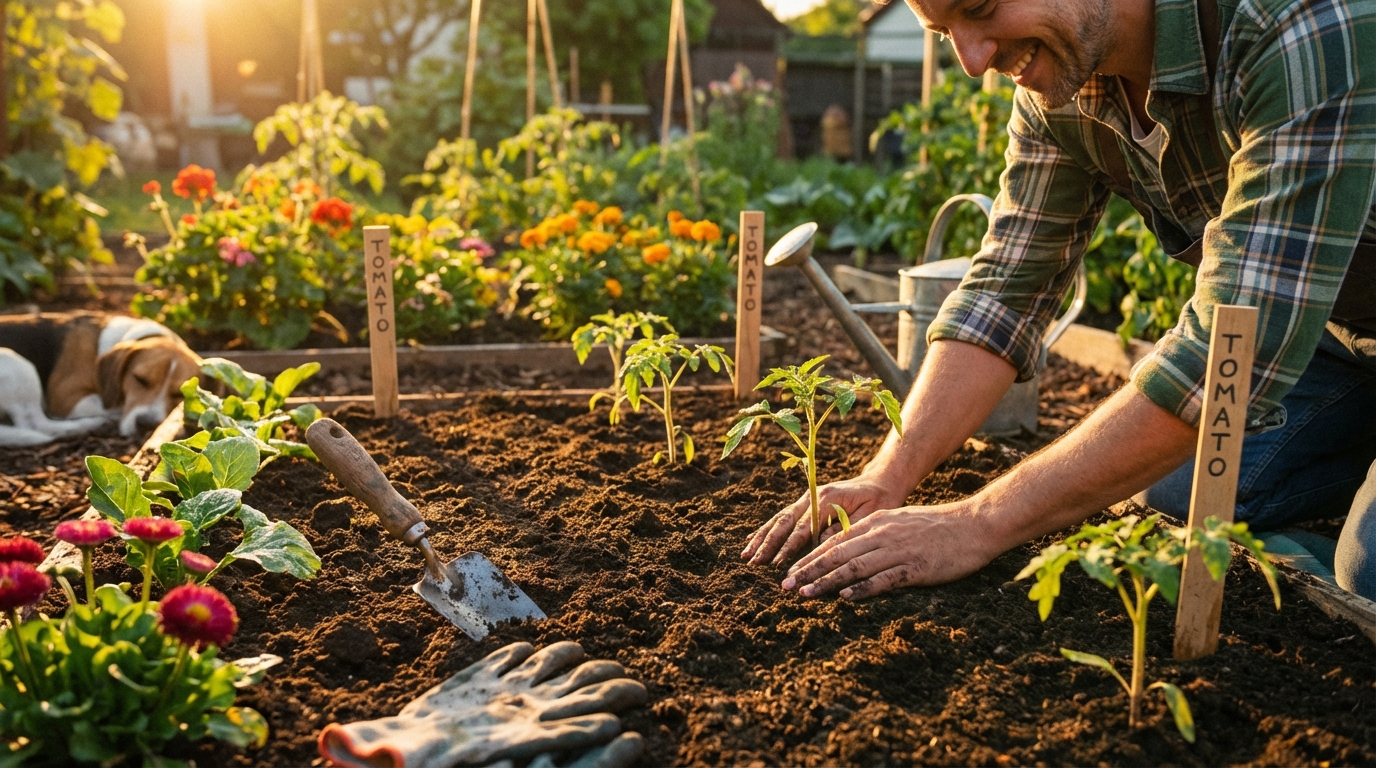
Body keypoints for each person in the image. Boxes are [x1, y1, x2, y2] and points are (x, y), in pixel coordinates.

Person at [743, 0, 1376, 601]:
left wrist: (978, 521)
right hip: (1338, 335)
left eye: (982, 8)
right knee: (1162, 497)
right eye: (942, 31)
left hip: (1292, 335)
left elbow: (1231, 350)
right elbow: (1006, 291)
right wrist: (888, 473)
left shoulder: (1294, 26)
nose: (970, 59)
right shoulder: (1063, 86)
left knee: (1363, 579)